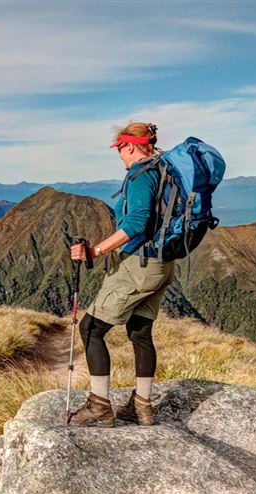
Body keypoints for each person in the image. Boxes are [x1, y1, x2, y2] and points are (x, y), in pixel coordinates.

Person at [67, 122, 174, 428]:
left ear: (128, 146)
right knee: (140, 332)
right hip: (162, 263)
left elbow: (138, 222)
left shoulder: (140, 175)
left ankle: (100, 406)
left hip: (138, 265)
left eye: (120, 150)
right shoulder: (163, 171)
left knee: (90, 329)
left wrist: (95, 251)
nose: (120, 157)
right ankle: (142, 407)